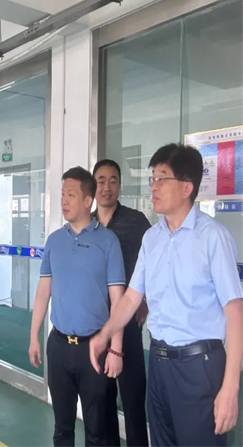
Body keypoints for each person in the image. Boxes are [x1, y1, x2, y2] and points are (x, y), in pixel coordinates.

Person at [90, 143, 243, 446]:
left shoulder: (212, 238)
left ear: (187, 187)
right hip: (159, 365)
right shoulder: (152, 238)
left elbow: (235, 311)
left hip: (199, 367)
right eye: (153, 179)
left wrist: (230, 387)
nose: (154, 186)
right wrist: (105, 334)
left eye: (162, 179)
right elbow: (131, 298)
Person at [29, 166, 126, 446]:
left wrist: (116, 350)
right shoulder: (54, 241)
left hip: (94, 349)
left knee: (96, 430)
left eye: (70, 195)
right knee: (62, 428)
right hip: (59, 346)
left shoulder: (108, 241)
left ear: (87, 200)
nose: (64, 200)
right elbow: (43, 292)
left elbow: (119, 300)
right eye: (62, 194)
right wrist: (34, 335)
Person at [93, 159, 150, 447]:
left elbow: (155, 261)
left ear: (119, 185)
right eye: (101, 181)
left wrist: (146, 300)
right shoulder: (87, 224)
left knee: (133, 397)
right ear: (93, 186)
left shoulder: (136, 221)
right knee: (102, 398)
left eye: (113, 180)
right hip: (96, 324)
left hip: (126, 322)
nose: (107, 187)